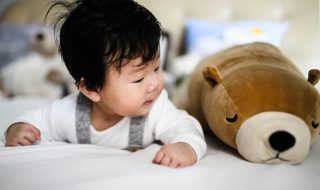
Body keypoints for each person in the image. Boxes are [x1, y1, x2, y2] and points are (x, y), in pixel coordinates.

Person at [3, 0, 207, 168]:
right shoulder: (69, 112)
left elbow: (187, 127)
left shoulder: (156, 108)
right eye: (138, 78)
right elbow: (35, 121)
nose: (155, 83)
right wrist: (18, 129)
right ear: (91, 88)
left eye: (156, 68)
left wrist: (185, 146)